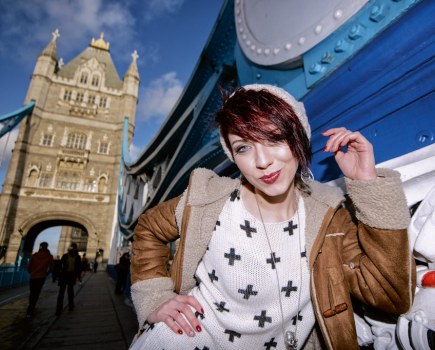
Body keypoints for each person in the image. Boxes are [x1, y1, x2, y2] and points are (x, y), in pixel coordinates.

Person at [129, 84, 415, 350]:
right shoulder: (207, 200)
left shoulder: (328, 218)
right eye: (243, 147)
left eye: (274, 138)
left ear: (298, 139)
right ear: (233, 155)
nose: (262, 161)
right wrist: (154, 296)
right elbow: (148, 229)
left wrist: (368, 184)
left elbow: (391, 294)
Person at [26, 241, 53, 317]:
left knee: (32, 292)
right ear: (47, 247)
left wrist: (32, 272)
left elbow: (28, 267)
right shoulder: (49, 256)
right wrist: (46, 273)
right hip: (41, 277)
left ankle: (30, 308)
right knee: (37, 292)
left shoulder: (34, 255)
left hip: (33, 276)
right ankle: (32, 308)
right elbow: (51, 267)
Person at [55, 242, 81, 316]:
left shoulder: (66, 255)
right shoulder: (76, 257)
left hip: (66, 275)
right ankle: (69, 306)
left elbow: (60, 266)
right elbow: (78, 268)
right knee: (69, 291)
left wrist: (57, 275)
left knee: (62, 292)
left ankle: (60, 309)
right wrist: (78, 277)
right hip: (69, 275)